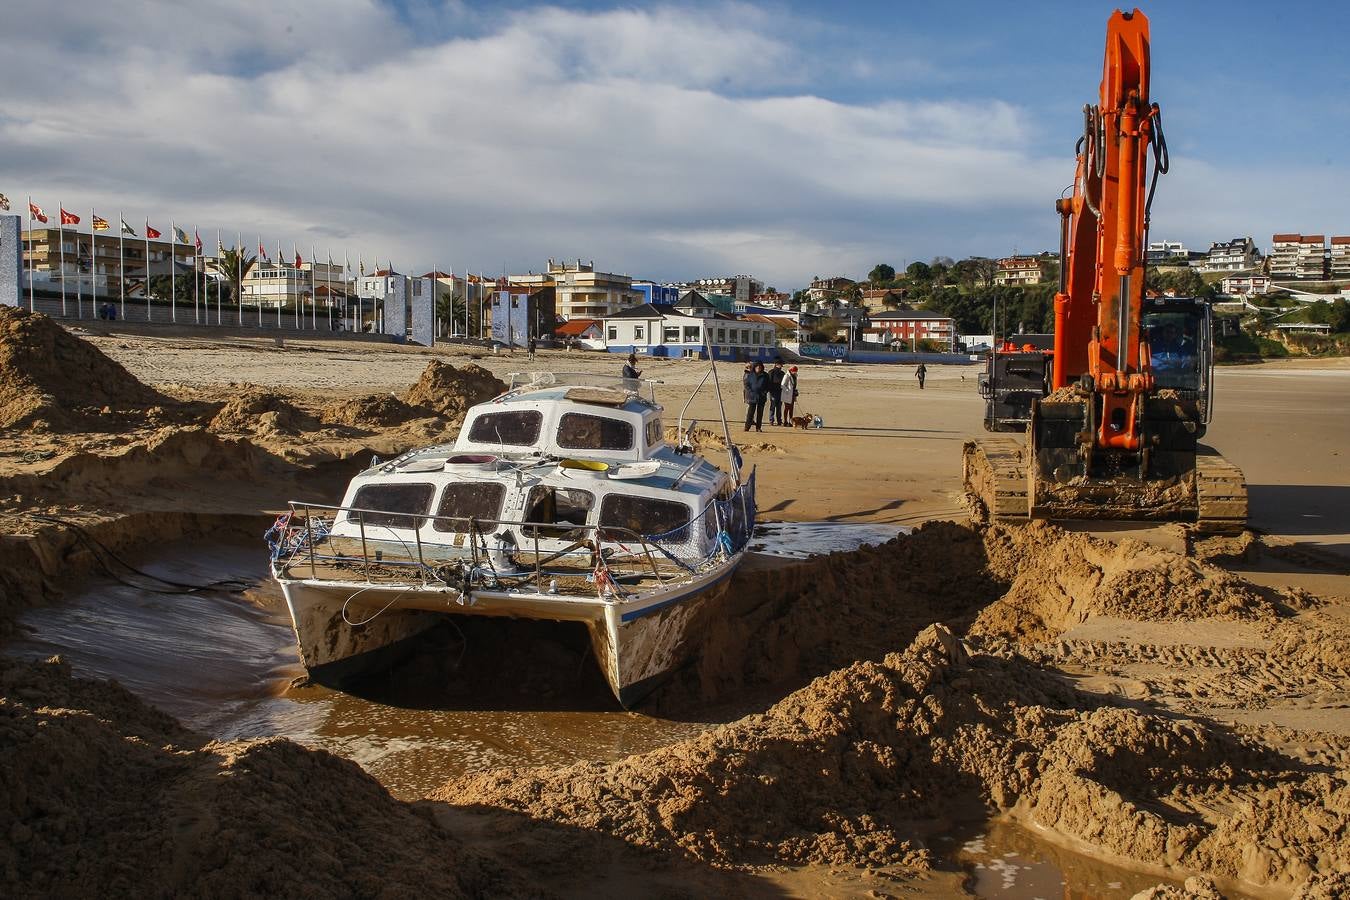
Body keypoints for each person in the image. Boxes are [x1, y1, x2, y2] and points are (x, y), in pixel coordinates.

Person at [743, 361, 769, 432]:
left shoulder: (765, 375)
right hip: (752, 396)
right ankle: (747, 427)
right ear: (754, 368)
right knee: (750, 413)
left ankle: (758, 427)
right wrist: (750, 392)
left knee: (760, 413)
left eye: (760, 367)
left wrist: (764, 392)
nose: (758, 368)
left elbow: (768, 385)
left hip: (761, 397)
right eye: (757, 367)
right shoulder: (750, 374)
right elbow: (746, 384)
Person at [766, 358, 786, 426]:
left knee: (779, 407)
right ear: (777, 364)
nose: (781, 366)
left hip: (780, 392)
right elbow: (769, 382)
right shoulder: (771, 372)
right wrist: (770, 390)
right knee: (773, 406)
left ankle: (779, 421)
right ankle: (771, 420)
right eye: (781, 365)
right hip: (773, 392)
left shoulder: (782, 373)